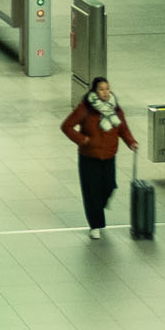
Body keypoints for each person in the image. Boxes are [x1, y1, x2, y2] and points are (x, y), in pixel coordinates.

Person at [60, 77, 140, 239]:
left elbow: (122, 128)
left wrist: (131, 142)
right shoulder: (85, 108)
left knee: (109, 186)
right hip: (89, 156)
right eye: (101, 89)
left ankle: (99, 207)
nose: (105, 92)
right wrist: (83, 140)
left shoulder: (115, 108)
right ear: (95, 91)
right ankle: (95, 225)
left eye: (107, 88)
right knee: (92, 192)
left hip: (109, 155)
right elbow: (66, 126)